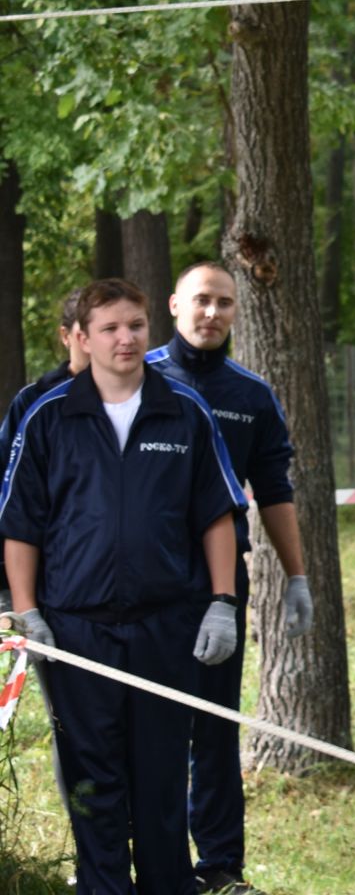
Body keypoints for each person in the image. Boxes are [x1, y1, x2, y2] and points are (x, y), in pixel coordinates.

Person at [0, 278, 248, 895]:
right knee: (93, 778)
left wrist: (221, 604)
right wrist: (27, 613)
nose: (126, 338)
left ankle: (168, 886)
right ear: (81, 339)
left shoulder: (185, 411)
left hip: (168, 626)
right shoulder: (48, 415)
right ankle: (103, 885)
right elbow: (20, 526)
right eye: (109, 328)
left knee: (161, 774)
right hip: (75, 628)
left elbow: (217, 514)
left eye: (135, 325)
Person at [147, 261, 311, 895]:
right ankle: (149, 867)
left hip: (219, 588)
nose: (211, 313)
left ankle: (220, 869)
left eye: (223, 303)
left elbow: (274, 489)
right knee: (147, 725)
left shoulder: (252, 395)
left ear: (237, 311)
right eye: (200, 301)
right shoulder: (137, 377)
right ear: (174, 305)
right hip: (140, 585)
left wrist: (296, 577)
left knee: (213, 727)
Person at [2, 287, 89, 611]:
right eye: (87, 331)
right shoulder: (33, 402)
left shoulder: (150, 398)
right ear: (67, 336)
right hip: (50, 579)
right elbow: (11, 497)